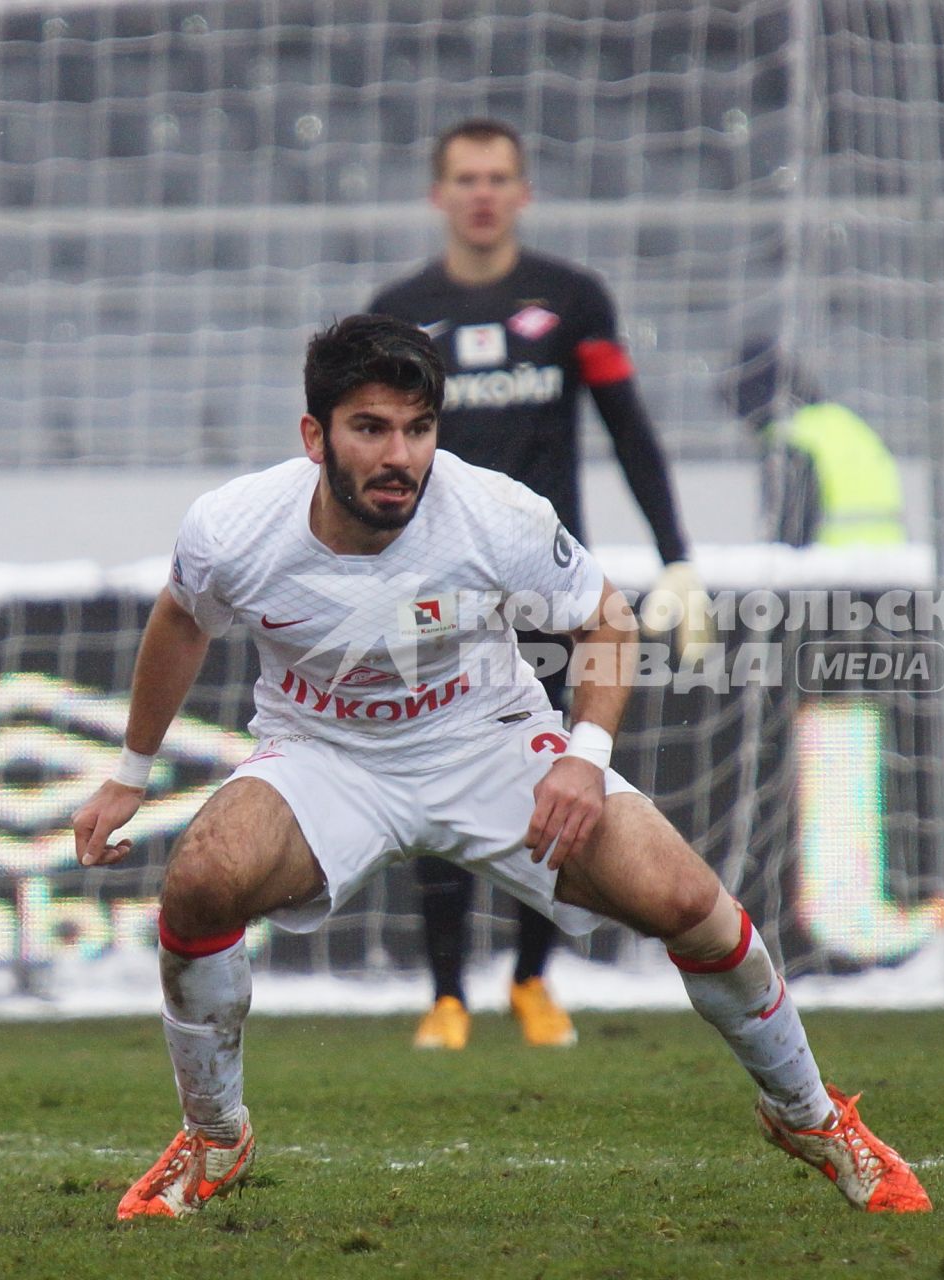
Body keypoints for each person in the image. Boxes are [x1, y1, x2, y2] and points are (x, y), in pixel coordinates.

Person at [71, 315, 930, 1221]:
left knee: (690, 905)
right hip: (323, 757)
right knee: (200, 883)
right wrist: (132, 770)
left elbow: (606, 621)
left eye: (419, 427)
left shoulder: (494, 513)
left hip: (489, 740)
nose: (401, 454)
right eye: (371, 428)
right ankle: (214, 1136)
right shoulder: (233, 527)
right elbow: (181, 618)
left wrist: (586, 758)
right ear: (315, 437)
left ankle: (809, 1116)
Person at [367, 118, 709, 1051]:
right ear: (440, 196)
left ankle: (529, 980)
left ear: (523, 192)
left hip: (547, 584)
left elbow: (628, 428)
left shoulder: (572, 300)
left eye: (499, 177)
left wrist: (676, 554)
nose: (483, 193)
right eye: (466, 178)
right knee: (433, 775)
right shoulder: (400, 312)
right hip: (429, 592)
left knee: (546, 778)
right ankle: (445, 994)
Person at [722, 337, 907, 548]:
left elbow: (789, 541)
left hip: (829, 570)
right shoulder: (849, 425)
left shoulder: (790, 443)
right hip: (888, 567)